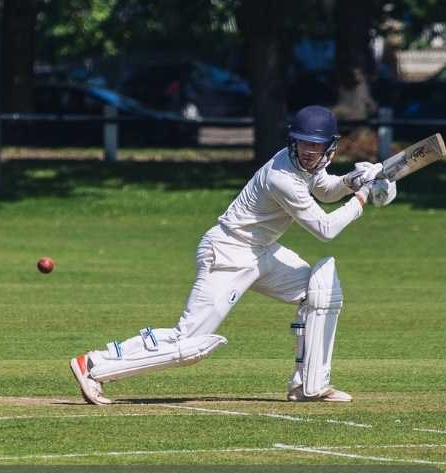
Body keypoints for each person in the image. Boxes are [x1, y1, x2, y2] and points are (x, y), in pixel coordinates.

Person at [67, 106, 395, 405]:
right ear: (293, 141)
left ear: (329, 147)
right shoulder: (282, 177)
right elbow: (326, 229)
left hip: (261, 252)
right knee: (189, 344)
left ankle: (309, 385)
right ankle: (94, 365)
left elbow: (326, 189)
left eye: (316, 145)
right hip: (228, 252)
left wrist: (354, 180)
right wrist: (363, 197)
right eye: (303, 143)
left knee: (319, 292)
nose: (309, 152)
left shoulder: (308, 166)